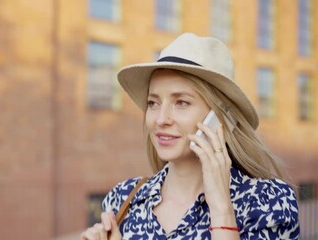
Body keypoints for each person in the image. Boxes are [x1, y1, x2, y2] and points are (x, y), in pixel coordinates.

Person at [80, 33, 299, 240]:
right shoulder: (124, 198)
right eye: (153, 103)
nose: (161, 119)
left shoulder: (268, 202)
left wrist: (222, 209)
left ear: (220, 118)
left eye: (181, 102)